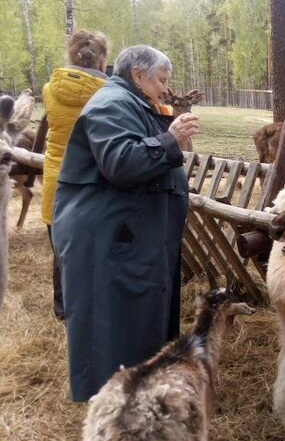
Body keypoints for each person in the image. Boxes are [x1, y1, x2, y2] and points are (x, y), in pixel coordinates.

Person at [52, 45, 200, 402]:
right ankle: (115, 404)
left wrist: (168, 132)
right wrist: (171, 139)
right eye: (161, 80)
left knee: (130, 323)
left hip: (124, 237)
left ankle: (133, 397)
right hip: (109, 240)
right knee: (113, 326)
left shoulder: (131, 103)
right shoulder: (111, 105)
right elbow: (120, 162)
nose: (166, 89)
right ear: (138, 75)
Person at [41, 29, 109, 321]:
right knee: (94, 247)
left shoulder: (49, 90)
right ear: (103, 61)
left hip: (55, 178)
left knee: (60, 246)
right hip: (89, 179)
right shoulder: (107, 95)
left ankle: (62, 305)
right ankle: (90, 305)